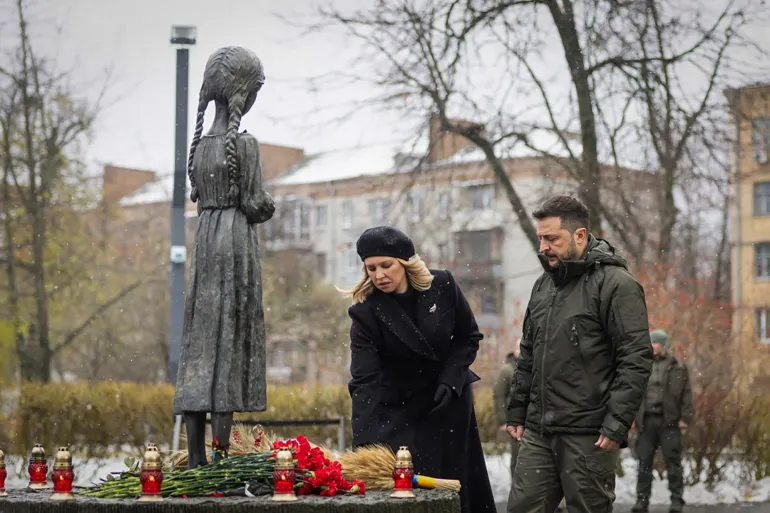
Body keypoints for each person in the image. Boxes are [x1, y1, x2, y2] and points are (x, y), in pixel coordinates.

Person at [506, 195, 653, 513]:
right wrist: (517, 409)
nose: (543, 247)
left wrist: (617, 423)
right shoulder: (543, 286)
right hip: (538, 432)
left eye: (551, 238)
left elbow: (636, 358)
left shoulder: (616, 285)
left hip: (589, 434)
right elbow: (529, 353)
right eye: (540, 238)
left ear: (580, 235)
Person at [341, 225, 496, 513]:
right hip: (400, 411)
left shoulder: (443, 285)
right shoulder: (365, 314)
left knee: (460, 490)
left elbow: (468, 337)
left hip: (449, 402)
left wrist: (451, 379)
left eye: (386, 265)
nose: (379, 275)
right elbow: (364, 381)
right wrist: (362, 445)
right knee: (411, 493)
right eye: (371, 268)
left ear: (405, 262)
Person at [173, 47, 276, 468]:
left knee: (200, 344)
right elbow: (255, 204)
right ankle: (221, 455)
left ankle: (195, 454)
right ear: (243, 96)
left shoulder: (199, 148)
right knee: (229, 342)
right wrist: (268, 204)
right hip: (235, 246)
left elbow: (201, 195)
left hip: (205, 242)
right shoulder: (245, 146)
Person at [632, 329, 693, 513]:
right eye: (651, 342)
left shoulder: (677, 367)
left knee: (673, 463)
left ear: (663, 345)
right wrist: (632, 418)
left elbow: (687, 395)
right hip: (647, 420)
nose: (652, 346)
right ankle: (642, 501)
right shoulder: (642, 365)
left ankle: (676, 500)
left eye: (655, 343)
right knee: (644, 463)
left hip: (669, 422)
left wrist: (685, 417)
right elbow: (634, 393)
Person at [493, 348, 520, 480]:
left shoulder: (529, 366)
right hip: (515, 420)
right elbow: (499, 395)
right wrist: (503, 420)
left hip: (529, 420)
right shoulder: (508, 369)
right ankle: (515, 486)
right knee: (517, 455)